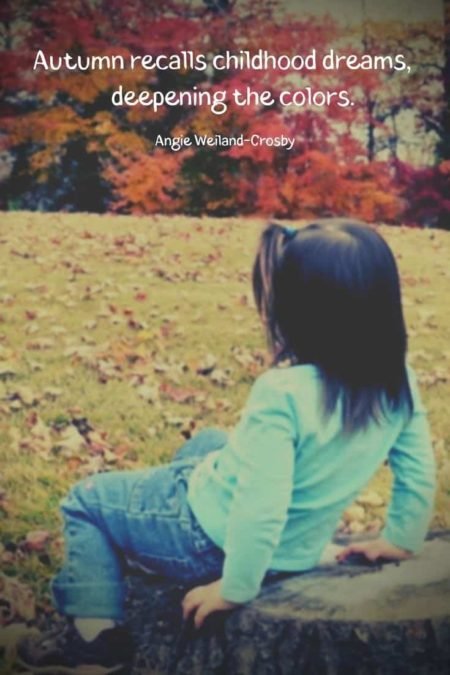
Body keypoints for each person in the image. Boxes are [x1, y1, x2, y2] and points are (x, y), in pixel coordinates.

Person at [18, 220, 436, 674]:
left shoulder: (284, 392)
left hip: (206, 540)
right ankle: (146, 536)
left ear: (295, 312)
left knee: (88, 499)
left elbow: (261, 504)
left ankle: (94, 644)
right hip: (296, 550)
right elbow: (418, 471)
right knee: (210, 442)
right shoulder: (398, 384)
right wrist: (401, 539)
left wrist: (235, 588)